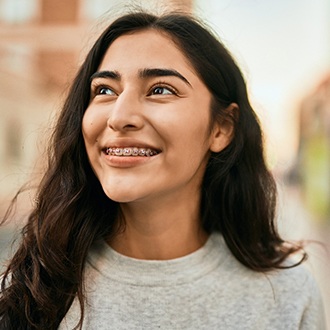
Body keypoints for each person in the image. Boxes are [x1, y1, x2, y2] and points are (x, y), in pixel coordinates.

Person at [0, 10, 326, 330]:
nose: (118, 116)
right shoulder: (32, 288)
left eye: (160, 90)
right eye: (104, 90)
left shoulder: (287, 295)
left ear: (221, 128)